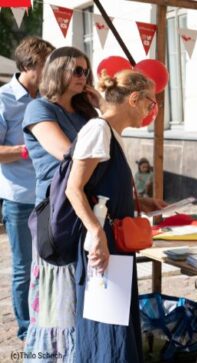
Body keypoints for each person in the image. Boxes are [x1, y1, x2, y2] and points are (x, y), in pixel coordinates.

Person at [67, 69, 165, 362]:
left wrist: (143, 202)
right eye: (150, 103)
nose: (150, 111)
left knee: (116, 327)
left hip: (114, 243)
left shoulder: (111, 133)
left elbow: (104, 187)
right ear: (134, 99)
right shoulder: (98, 130)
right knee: (108, 331)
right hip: (104, 243)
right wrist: (96, 233)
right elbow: (74, 188)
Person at [22, 46, 100, 361]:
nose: (83, 77)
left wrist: (101, 111)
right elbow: (69, 155)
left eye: (86, 71)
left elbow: (109, 155)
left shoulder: (86, 113)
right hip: (57, 216)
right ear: (58, 71)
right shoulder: (40, 109)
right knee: (59, 304)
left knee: (85, 298)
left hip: (89, 209)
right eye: (76, 70)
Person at [0, 36, 54, 342]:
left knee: (49, 265)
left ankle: (45, 322)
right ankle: (25, 330)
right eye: (47, 64)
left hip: (49, 196)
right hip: (19, 198)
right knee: (23, 268)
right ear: (29, 65)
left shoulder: (47, 98)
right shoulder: (4, 99)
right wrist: (28, 149)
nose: (50, 71)